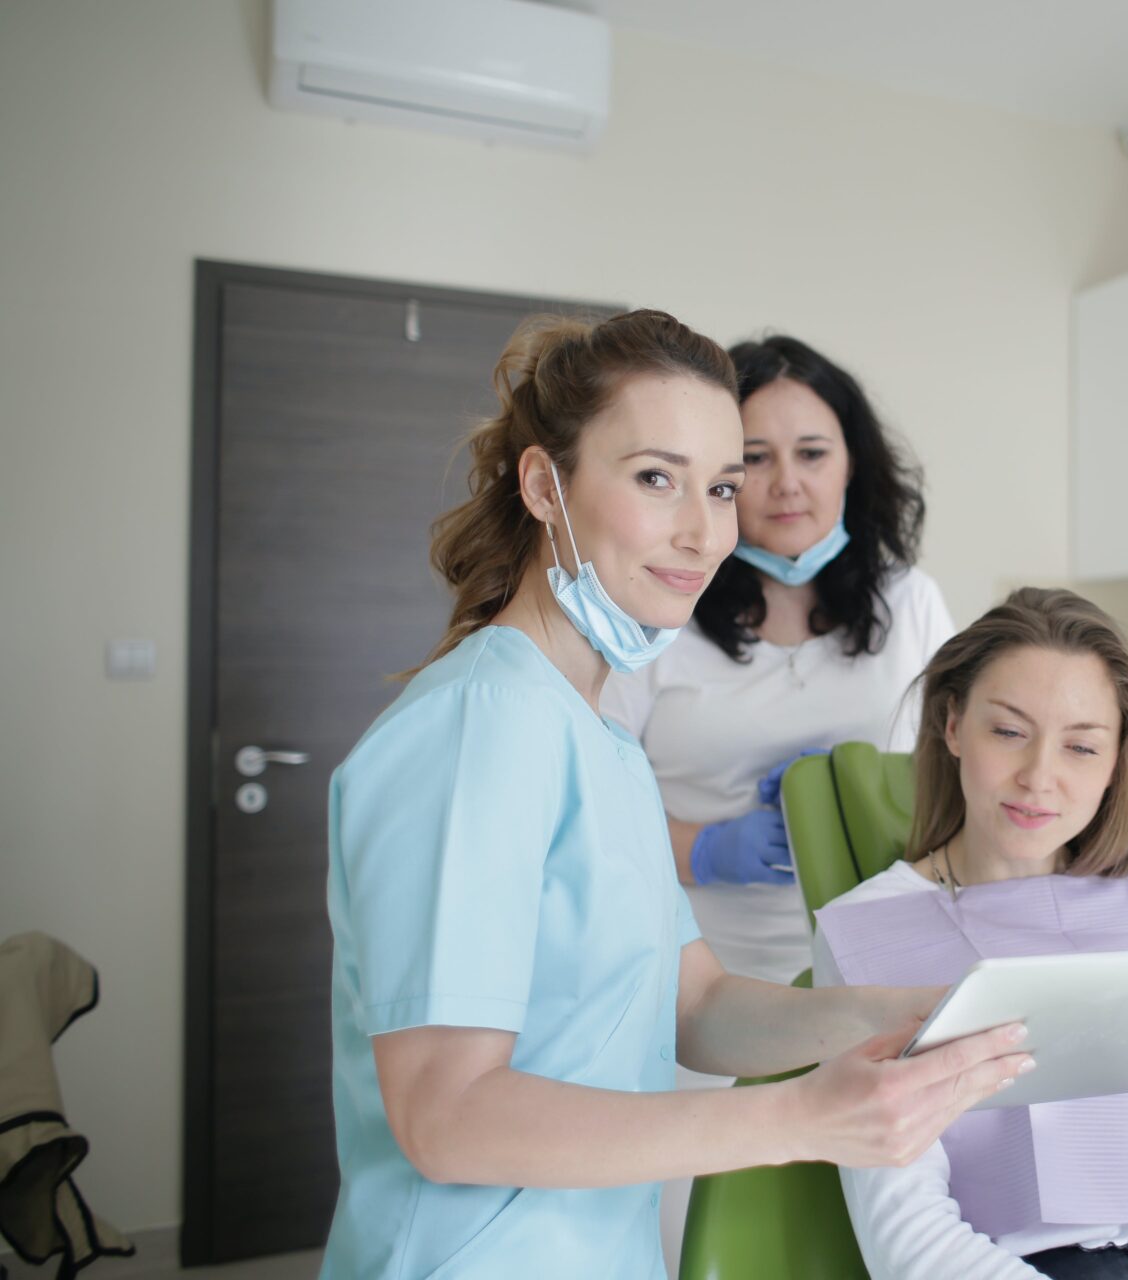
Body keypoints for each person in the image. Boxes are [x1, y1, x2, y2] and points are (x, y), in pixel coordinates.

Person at [321, 309, 1030, 1279]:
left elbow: (692, 1001)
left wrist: (912, 1016)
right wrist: (796, 1117)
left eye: (721, 485)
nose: (705, 530)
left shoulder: (598, 729)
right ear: (543, 483)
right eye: (657, 477)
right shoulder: (480, 725)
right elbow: (446, 1116)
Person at [813, 588, 1128, 1280]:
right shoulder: (869, 932)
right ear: (952, 725)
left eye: (1082, 746)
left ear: (1117, 760)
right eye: (1007, 732)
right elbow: (906, 1235)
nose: (1040, 779)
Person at [602, 334, 954, 986]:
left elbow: (961, 779)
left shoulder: (913, 605)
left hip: (877, 970)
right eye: (755, 458)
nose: (787, 484)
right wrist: (704, 850)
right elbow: (590, 810)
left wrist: (870, 787)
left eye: (813, 454)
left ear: (852, 464)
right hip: (692, 976)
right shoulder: (655, 612)